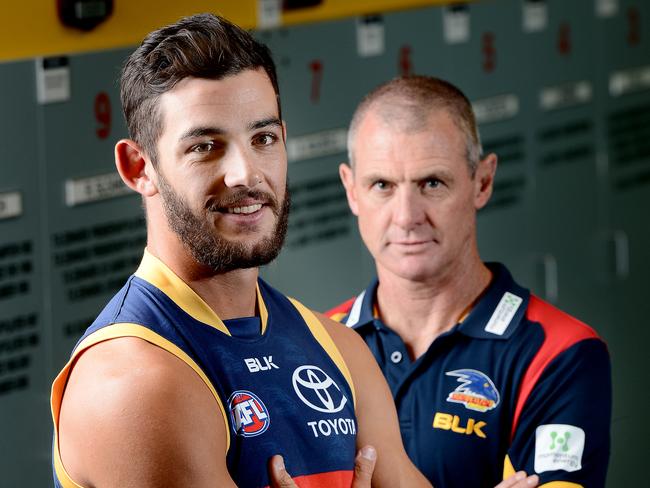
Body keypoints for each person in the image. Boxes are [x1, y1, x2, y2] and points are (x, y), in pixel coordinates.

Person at [49, 13, 424, 488]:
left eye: (262, 139)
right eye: (206, 146)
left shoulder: (340, 350)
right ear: (139, 167)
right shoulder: (134, 383)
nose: (246, 173)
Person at [328, 75, 612, 488]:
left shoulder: (561, 354)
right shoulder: (316, 346)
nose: (407, 216)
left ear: (482, 181)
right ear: (352, 191)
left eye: (432, 183)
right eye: (382, 186)